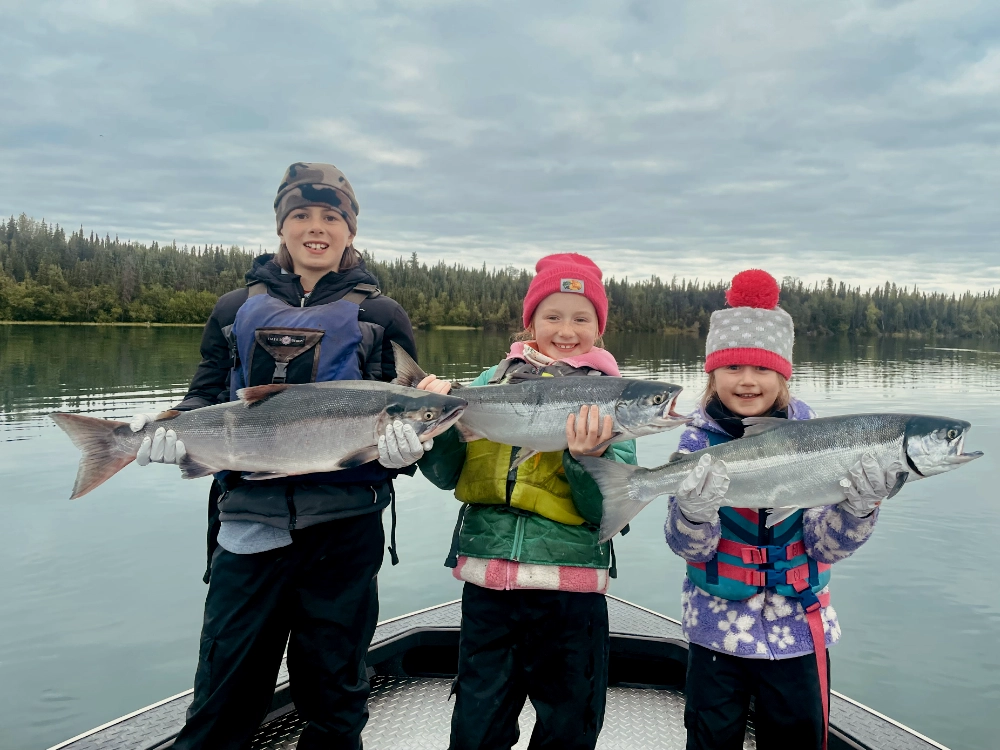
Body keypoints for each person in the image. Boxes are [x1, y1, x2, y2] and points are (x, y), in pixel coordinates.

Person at [127, 163, 429, 750]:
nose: (316, 228)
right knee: (223, 693)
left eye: (331, 217)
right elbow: (204, 394)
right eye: (301, 215)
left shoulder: (381, 315)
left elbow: (411, 416)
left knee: (335, 697)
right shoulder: (233, 307)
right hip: (246, 524)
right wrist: (165, 430)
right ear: (281, 227)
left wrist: (405, 453)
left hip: (345, 533)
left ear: (350, 229)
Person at [664, 269, 897, 750]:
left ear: (783, 374)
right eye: (732, 368)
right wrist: (693, 512)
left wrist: (859, 507)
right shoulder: (696, 440)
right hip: (715, 631)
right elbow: (688, 547)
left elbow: (824, 545)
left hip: (799, 630)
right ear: (712, 373)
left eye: (762, 369)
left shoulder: (821, 441)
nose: (747, 381)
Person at [415, 253, 636, 750]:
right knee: (477, 721)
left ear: (598, 328)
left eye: (581, 318)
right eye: (552, 315)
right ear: (530, 321)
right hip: (487, 585)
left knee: (569, 724)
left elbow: (611, 510)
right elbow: (450, 474)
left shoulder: (612, 397)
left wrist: (586, 459)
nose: (566, 329)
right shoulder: (486, 385)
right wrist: (429, 434)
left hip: (571, 591)